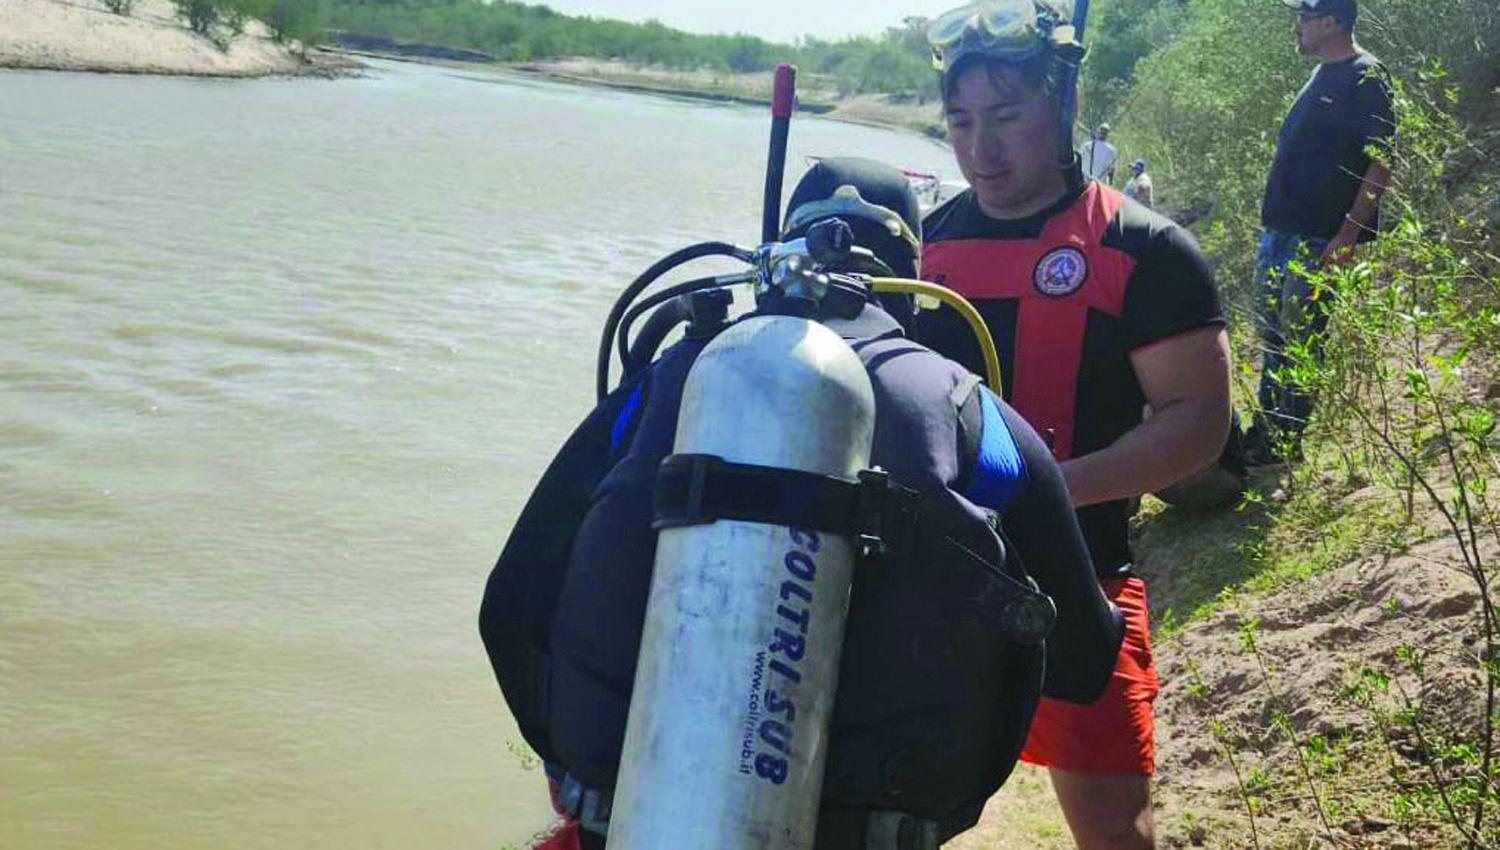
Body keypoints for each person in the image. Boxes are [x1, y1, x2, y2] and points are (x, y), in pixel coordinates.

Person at [480, 157, 1125, 849]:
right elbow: (1084, 663)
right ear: (914, 273)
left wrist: (574, 759)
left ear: (775, 252)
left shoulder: (662, 384)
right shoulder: (977, 419)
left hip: (632, 823)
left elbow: (510, 605)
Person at [916, 1, 1233, 847]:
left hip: (1080, 586)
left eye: (1007, 118)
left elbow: (1198, 422)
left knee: (1118, 834)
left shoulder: (1147, 250)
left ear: (1060, 107)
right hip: (929, 590)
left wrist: (1049, 492)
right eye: (961, 121)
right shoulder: (923, 249)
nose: (981, 148)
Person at [1247, 0, 1395, 464]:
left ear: (1332, 22)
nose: (1298, 27)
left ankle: (1285, 443)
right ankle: (1267, 434)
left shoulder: (1366, 76)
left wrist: (1348, 236)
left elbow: (1383, 160)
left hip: (1318, 239)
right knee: (1274, 336)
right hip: (1282, 232)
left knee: (1301, 336)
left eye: (1305, 18)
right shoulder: (1320, 74)